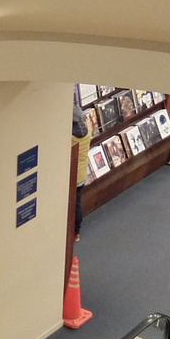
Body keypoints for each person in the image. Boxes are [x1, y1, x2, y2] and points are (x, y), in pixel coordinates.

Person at [72, 102, 91, 240]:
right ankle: (76, 232)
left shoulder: (70, 138)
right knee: (77, 203)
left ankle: (69, 232)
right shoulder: (88, 130)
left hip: (71, 177)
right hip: (82, 174)